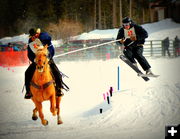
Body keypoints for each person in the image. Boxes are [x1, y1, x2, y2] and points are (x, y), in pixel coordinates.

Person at [24, 28, 65, 99]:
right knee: (27, 73)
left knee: (56, 72)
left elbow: (51, 50)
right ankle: (28, 91)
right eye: (32, 36)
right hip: (36, 61)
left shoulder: (45, 38)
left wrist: (48, 57)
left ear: (38, 33)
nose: (34, 37)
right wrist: (34, 59)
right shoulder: (30, 41)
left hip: (47, 60)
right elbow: (30, 53)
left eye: (35, 35)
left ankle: (59, 89)